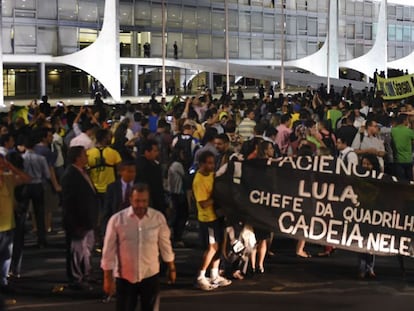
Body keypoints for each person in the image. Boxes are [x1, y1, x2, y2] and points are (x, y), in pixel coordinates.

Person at [101, 183, 176, 311]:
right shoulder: (117, 220)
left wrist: (171, 267)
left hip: (150, 275)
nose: (140, 205)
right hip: (125, 277)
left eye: (144, 201)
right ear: (130, 200)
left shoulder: (157, 218)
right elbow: (108, 251)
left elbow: (165, 245)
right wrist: (108, 278)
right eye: (137, 201)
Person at [61, 146, 99, 290]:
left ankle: (86, 273)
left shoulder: (83, 172)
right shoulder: (70, 175)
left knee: (86, 249)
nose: (87, 157)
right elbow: (69, 202)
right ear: (77, 157)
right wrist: (73, 222)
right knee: (76, 251)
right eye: (84, 155)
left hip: (87, 219)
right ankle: (76, 278)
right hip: (77, 221)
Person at [194, 151, 231, 291]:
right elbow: (203, 203)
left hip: (217, 216)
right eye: (209, 163)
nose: (212, 165)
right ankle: (201, 276)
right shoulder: (198, 180)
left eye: (213, 162)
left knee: (219, 246)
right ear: (201, 163)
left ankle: (214, 274)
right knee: (212, 248)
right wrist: (217, 198)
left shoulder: (211, 174)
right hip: (207, 219)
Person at [0, 154, 31, 295]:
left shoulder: (8, 179)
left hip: (8, 225)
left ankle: (3, 282)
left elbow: (26, 178)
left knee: (6, 256)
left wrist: (11, 167)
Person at [102, 161, 136, 232]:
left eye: (134, 172)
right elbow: (107, 209)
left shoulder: (140, 187)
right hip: (117, 223)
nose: (132, 174)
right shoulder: (112, 187)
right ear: (120, 172)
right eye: (129, 171)